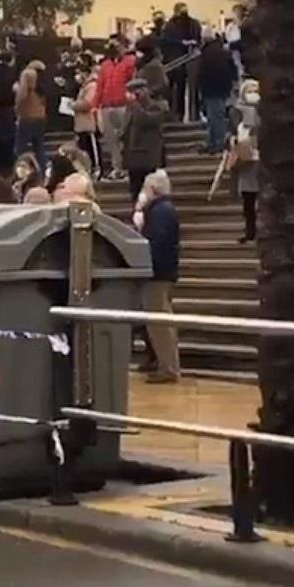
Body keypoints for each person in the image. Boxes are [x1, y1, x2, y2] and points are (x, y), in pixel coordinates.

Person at [133, 171, 180, 384]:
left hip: (157, 274)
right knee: (161, 322)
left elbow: (156, 244)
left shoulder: (160, 212)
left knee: (159, 323)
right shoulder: (162, 210)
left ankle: (168, 368)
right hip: (163, 272)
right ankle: (166, 365)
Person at [121, 76, 170, 203]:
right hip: (133, 157)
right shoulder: (130, 109)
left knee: (150, 192)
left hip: (149, 157)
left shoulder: (157, 106)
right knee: (135, 191)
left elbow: (146, 121)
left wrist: (136, 105)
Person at [95, 39, 137, 180]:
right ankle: (117, 168)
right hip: (107, 105)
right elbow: (100, 85)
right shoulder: (105, 65)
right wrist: (96, 106)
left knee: (126, 138)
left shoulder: (130, 62)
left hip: (123, 104)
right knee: (111, 140)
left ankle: (127, 167)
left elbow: (133, 81)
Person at [228, 80, 261, 243]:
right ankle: (250, 231)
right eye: (249, 90)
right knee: (248, 201)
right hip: (244, 159)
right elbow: (231, 131)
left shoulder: (263, 112)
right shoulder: (236, 112)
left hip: (260, 158)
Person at [194, 35, 236, 153]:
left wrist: (200, 89)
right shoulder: (224, 53)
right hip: (222, 88)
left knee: (213, 118)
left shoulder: (205, 55)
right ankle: (216, 142)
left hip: (209, 89)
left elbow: (200, 74)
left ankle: (214, 142)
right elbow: (232, 70)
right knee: (218, 116)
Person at [14, 57, 52, 174]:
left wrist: (17, 104)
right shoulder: (44, 79)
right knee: (39, 147)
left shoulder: (28, 74)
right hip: (40, 115)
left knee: (20, 148)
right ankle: (44, 171)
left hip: (27, 114)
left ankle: (20, 172)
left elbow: (23, 93)